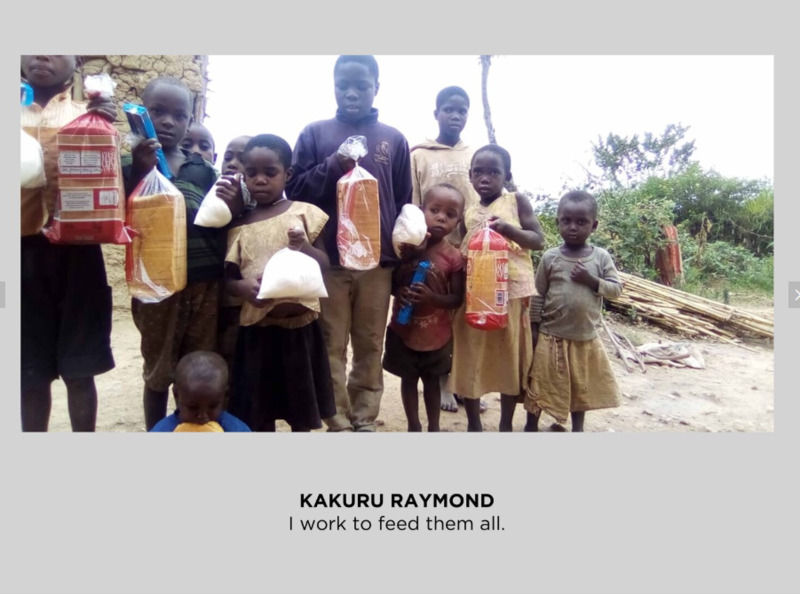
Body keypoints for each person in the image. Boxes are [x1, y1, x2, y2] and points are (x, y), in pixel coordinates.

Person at [286, 55, 413, 432]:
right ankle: (337, 419)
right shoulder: (315, 133)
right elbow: (295, 190)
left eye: (361, 85)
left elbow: (402, 201)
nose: (352, 93)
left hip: (377, 263)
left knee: (371, 342)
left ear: (377, 87)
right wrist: (335, 164)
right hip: (329, 259)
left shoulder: (393, 139)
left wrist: (398, 257)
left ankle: (364, 418)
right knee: (330, 342)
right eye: (343, 85)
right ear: (334, 86)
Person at [122, 76, 243, 431]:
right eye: (158, 112)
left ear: (190, 121)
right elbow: (119, 211)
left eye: (179, 115)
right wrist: (140, 171)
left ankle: (195, 431)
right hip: (156, 288)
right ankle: (157, 432)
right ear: (141, 113)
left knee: (198, 366)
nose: (168, 122)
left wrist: (235, 203)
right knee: (159, 370)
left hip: (204, 284)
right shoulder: (130, 164)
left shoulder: (202, 170)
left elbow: (221, 217)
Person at [20, 55, 117, 431]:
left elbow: (111, 177)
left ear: (77, 59)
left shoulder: (88, 114)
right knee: (28, 371)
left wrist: (105, 129)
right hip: (19, 251)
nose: (41, 54)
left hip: (79, 252)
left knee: (81, 368)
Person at [224, 134, 336, 432]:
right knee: (259, 410)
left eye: (270, 172)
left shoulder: (304, 213)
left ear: (287, 174)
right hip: (258, 332)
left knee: (301, 409)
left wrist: (304, 247)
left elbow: (324, 265)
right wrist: (242, 288)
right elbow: (229, 277)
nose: (260, 180)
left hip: (300, 331)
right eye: (251, 173)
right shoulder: (239, 225)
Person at [448, 144, 545, 432]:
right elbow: (464, 249)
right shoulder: (468, 212)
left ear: (507, 176)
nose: (485, 178)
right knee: (470, 355)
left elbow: (537, 239)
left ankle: (505, 424)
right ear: (470, 175)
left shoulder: (516, 202)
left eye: (493, 172)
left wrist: (509, 230)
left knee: (508, 357)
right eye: (478, 172)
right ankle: (474, 423)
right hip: (475, 296)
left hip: (510, 295)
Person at [523, 190, 623, 432]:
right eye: (566, 221)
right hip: (550, 336)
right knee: (541, 382)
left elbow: (616, 289)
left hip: (584, 338)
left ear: (594, 225)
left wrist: (591, 280)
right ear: (557, 222)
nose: (573, 227)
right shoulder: (550, 257)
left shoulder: (601, 257)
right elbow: (538, 295)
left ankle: (578, 428)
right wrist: (534, 328)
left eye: (581, 222)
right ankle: (530, 426)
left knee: (580, 386)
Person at [410, 85, 482, 414]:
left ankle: (463, 383)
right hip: (432, 250)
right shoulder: (419, 155)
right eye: (449, 109)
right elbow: (412, 205)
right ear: (436, 113)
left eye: (462, 110)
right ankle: (440, 384)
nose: (455, 115)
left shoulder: (474, 156)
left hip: (469, 251)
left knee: (464, 319)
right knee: (437, 314)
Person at [382, 184, 465, 432]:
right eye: (434, 210)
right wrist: (399, 291)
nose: (441, 218)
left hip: (436, 335)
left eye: (450, 214)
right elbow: (390, 282)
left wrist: (431, 298)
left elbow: (456, 298)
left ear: (458, 221)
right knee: (408, 380)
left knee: (431, 381)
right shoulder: (404, 248)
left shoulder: (454, 257)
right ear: (421, 211)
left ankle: (434, 428)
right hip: (403, 330)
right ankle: (414, 426)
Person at [215, 135, 254, 403]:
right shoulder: (211, 200)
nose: (232, 164)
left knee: (246, 362)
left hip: (249, 304)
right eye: (228, 157)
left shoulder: (261, 206)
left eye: (242, 160)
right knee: (223, 357)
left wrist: (239, 209)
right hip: (221, 301)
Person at [150, 351, 251, 432]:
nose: (203, 417)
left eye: (212, 406)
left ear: (225, 397)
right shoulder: (163, 431)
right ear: (176, 395)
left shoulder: (236, 429)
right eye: (193, 408)